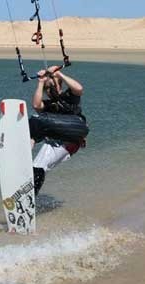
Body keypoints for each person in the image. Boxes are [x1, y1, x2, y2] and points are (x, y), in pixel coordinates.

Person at [29, 66, 89, 195]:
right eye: (46, 90)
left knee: (37, 119)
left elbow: (79, 88)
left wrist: (59, 74)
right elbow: (36, 105)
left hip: (77, 129)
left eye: (50, 88)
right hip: (61, 142)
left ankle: (30, 143)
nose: (49, 91)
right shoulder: (48, 105)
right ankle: (31, 196)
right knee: (38, 167)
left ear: (59, 86)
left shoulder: (69, 96)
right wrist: (40, 82)